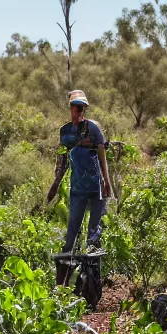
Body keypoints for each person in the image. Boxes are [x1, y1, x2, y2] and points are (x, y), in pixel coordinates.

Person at [47, 89, 113, 253]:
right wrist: (55, 185)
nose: (79, 111)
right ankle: (67, 261)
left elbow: (102, 156)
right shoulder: (65, 132)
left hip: (96, 186)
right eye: (76, 107)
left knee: (94, 230)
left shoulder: (94, 128)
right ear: (71, 108)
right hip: (77, 187)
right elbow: (62, 160)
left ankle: (94, 268)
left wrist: (107, 182)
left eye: (82, 108)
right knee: (73, 228)